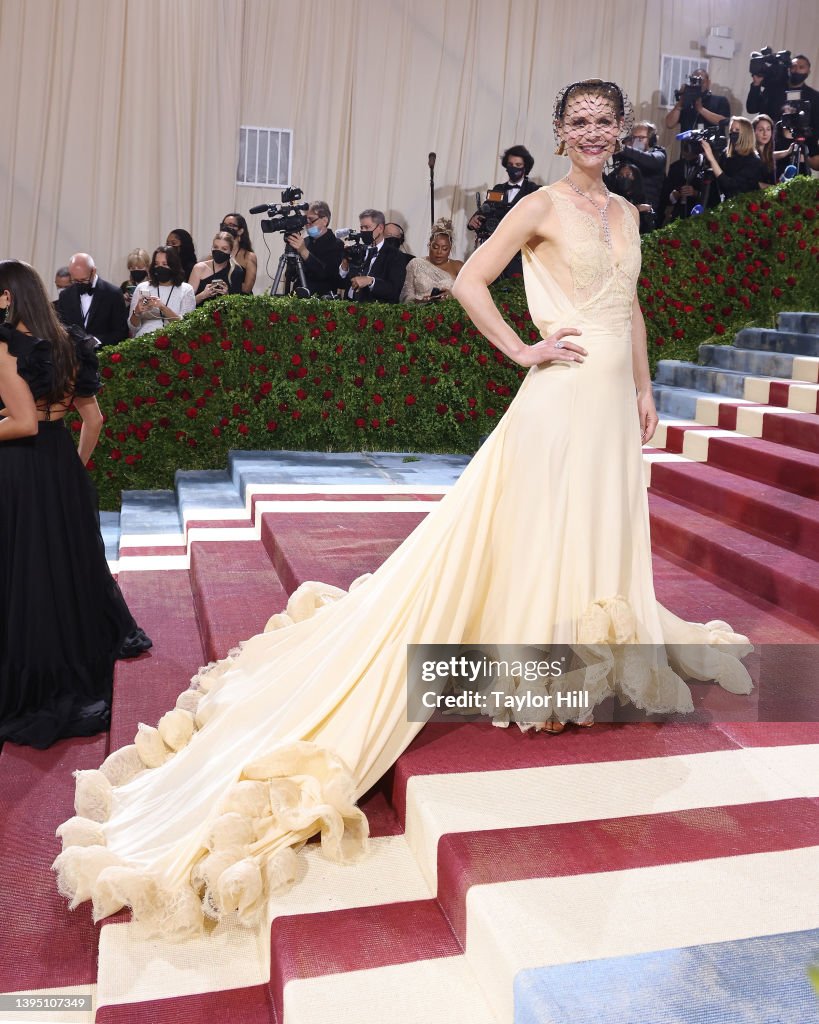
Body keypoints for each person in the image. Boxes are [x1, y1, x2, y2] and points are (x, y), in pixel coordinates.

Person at [52, 79, 752, 938]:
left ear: (619, 131)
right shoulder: (537, 204)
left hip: (612, 409)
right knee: (526, 532)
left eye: (606, 121)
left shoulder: (631, 214)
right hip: (559, 400)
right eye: (579, 122)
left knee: (591, 526)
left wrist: (645, 390)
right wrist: (523, 349)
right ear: (559, 132)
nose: (595, 133)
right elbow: (471, 285)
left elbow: (631, 308)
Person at [0, 260, 151, 749]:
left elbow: (22, 423)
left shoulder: (6, 346)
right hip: (61, 460)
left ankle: (34, 666)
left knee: (25, 569)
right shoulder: (71, 340)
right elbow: (94, 419)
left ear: (8, 297)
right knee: (61, 564)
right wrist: (74, 466)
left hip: (20, 468)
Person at [467, 145, 539, 277]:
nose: (513, 168)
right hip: (495, 252)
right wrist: (473, 220)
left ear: (525, 167)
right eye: (510, 164)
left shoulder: (533, 190)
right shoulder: (498, 189)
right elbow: (485, 209)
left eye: (518, 165)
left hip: (521, 254)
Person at [56, 253, 129, 348]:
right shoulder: (65, 295)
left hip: (102, 357)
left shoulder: (113, 294)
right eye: (75, 280)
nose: (79, 284)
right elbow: (62, 327)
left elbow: (121, 332)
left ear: (93, 271)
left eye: (83, 280)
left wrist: (96, 341)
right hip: (73, 358)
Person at [338, 208, 407, 303]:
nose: (363, 231)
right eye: (361, 227)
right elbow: (342, 283)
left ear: (380, 228)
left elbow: (394, 290)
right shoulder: (357, 250)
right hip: (348, 307)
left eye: (367, 227)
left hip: (374, 311)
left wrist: (371, 281)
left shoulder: (395, 255)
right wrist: (344, 265)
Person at [128, 246, 195, 338]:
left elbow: (187, 326)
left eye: (164, 264)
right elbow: (132, 328)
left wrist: (162, 307)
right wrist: (137, 312)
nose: (160, 268)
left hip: (174, 340)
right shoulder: (142, 287)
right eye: (156, 264)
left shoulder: (186, 289)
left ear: (173, 266)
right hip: (144, 339)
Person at [283, 200, 345, 297]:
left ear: (324, 221)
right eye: (305, 221)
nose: (307, 224)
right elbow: (290, 275)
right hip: (297, 297)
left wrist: (304, 252)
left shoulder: (336, 244)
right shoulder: (305, 241)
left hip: (321, 301)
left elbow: (327, 274)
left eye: (311, 220)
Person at [400, 218, 464, 302]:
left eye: (444, 249)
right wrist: (420, 301)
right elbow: (405, 296)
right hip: (420, 311)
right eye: (435, 247)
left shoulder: (458, 266)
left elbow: (470, 294)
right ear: (429, 245)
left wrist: (452, 295)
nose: (439, 252)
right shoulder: (415, 264)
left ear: (450, 249)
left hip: (449, 312)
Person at [700, 116, 763, 201]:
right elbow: (717, 180)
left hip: (743, 206)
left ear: (746, 134)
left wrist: (711, 158)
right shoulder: (726, 154)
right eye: (731, 130)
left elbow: (730, 185)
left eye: (737, 130)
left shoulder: (754, 161)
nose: (733, 133)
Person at [612, 121, 666, 213]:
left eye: (641, 138)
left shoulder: (659, 154)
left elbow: (651, 161)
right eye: (633, 138)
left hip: (647, 212)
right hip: (626, 208)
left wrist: (623, 148)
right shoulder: (627, 155)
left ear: (651, 139)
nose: (636, 141)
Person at [665, 69, 730, 137]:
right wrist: (680, 103)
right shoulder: (687, 102)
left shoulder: (720, 100)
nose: (698, 85)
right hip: (689, 146)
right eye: (694, 82)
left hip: (712, 146)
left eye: (701, 82)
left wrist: (701, 109)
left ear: (708, 83)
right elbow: (669, 124)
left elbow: (724, 122)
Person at [188, 232, 239, 306]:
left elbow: (237, 307)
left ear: (231, 251)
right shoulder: (199, 268)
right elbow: (186, 304)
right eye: (216, 247)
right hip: (199, 315)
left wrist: (227, 296)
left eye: (224, 249)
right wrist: (203, 295)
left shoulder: (236, 271)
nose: (219, 251)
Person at [605, 162, 656, 233]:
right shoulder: (613, 195)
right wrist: (636, 208)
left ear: (635, 177)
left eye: (628, 174)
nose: (624, 177)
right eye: (621, 175)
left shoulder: (642, 195)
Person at [219, 213, 257, 293]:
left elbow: (247, 288)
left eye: (231, 225)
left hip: (239, 301)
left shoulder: (248, 256)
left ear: (240, 231)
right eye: (224, 225)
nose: (226, 228)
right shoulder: (214, 255)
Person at [752, 114, 777, 186]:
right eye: (761, 130)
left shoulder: (769, 154)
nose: (765, 133)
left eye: (768, 129)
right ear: (753, 132)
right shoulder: (750, 154)